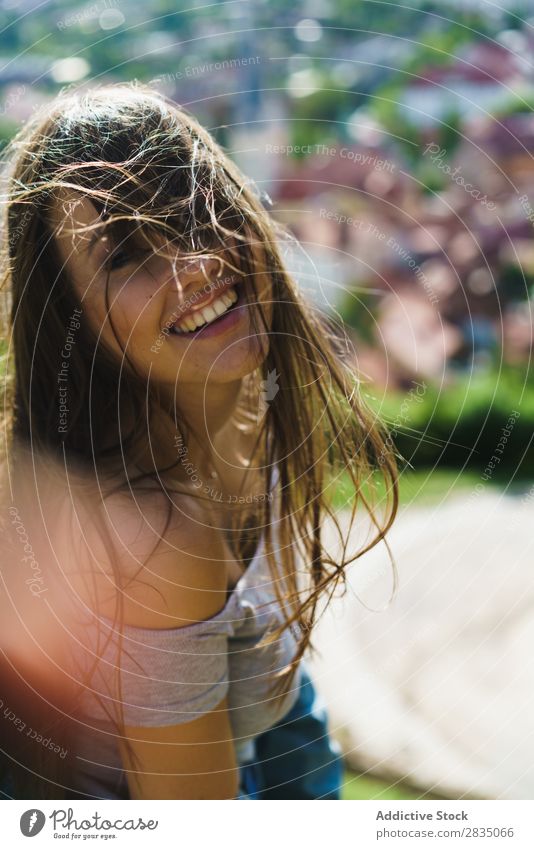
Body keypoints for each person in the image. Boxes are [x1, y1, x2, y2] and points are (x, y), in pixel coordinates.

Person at [0, 81, 397, 800]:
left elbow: (280, 705)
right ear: (71, 321)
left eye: (195, 211)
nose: (195, 264)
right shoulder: (156, 531)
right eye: (124, 255)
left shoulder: (248, 409)